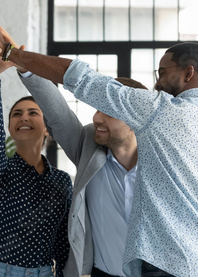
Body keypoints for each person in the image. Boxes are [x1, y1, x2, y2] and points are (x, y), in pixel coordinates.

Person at [0, 0, 198, 277]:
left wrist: (11, 53)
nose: (157, 83)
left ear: (188, 73)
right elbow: (57, 112)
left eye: (162, 72)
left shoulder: (159, 112)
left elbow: (82, 78)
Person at [20, 73, 146, 277]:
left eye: (108, 111)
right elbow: (58, 114)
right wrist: (25, 67)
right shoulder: (88, 148)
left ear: (135, 118)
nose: (97, 118)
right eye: (97, 109)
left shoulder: (161, 165)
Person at [0, 40, 72, 277]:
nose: (23, 118)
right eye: (16, 114)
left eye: (33, 113)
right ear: (10, 128)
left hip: (44, 273)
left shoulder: (62, 180)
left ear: (47, 127)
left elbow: (62, 239)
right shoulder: (1, 169)